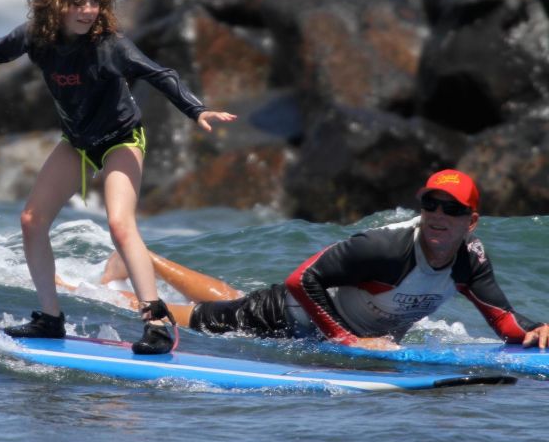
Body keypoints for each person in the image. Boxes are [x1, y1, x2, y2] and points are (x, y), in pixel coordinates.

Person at [0, 0, 236, 354]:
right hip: (78, 141)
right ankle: (50, 318)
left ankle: (158, 322)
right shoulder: (37, 38)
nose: (87, 10)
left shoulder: (109, 46)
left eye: (94, 1)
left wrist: (196, 110)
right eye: (77, 2)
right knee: (32, 219)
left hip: (121, 139)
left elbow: (158, 73)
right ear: (55, 1)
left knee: (119, 222)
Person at [98, 169, 549, 350]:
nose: (437, 216)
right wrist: (347, 341)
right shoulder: (387, 249)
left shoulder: (469, 259)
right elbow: (301, 279)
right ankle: (89, 292)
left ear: (471, 221)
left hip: (316, 316)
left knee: (233, 298)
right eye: (431, 205)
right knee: (190, 317)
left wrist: (535, 331)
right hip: (288, 316)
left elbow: (501, 319)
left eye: (451, 210)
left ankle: (144, 257)